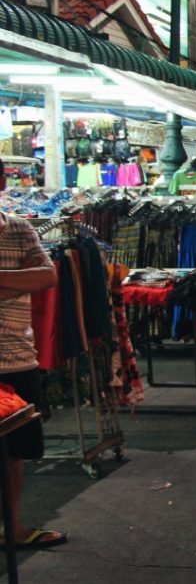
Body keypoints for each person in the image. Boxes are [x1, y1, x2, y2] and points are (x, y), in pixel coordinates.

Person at [0, 156, 66, 549]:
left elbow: (48, 276)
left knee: (15, 454)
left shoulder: (20, 230)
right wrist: (16, 284)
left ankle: (13, 526)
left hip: (16, 356)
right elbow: (35, 279)